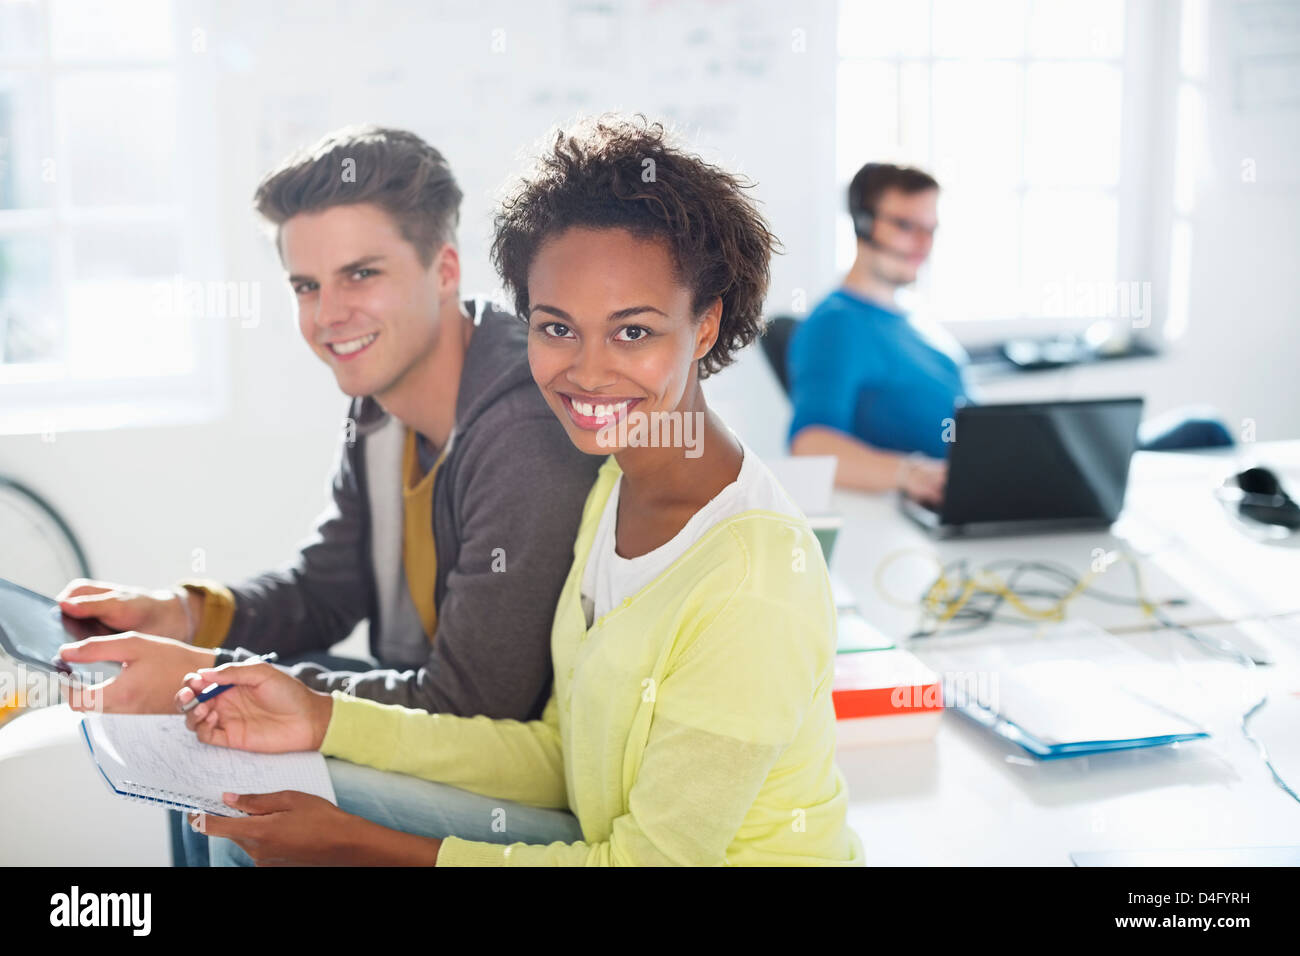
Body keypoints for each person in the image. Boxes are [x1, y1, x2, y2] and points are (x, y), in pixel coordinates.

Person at [180, 115, 864, 866]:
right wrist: (321, 719)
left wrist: (361, 846)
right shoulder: (614, 487)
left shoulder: (751, 581)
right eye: (557, 328)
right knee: (243, 798)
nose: (588, 370)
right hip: (595, 834)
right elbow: (558, 753)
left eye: (633, 332)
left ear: (704, 327)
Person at [54, 125, 600, 863]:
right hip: (435, 730)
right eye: (306, 287)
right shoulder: (380, 398)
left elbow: (472, 707)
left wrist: (209, 680)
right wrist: (182, 616)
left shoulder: (523, 429)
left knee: (240, 788)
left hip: (526, 790)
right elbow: (325, 589)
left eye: (360, 275)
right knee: (191, 758)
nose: (327, 315)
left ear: (444, 270)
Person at [786, 162, 1233, 504]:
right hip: (972, 479)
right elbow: (810, 445)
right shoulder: (836, 326)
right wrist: (909, 473)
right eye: (905, 226)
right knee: (1204, 433)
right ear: (864, 223)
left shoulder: (909, 314)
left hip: (1007, 459)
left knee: (1202, 431)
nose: (922, 244)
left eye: (930, 230)